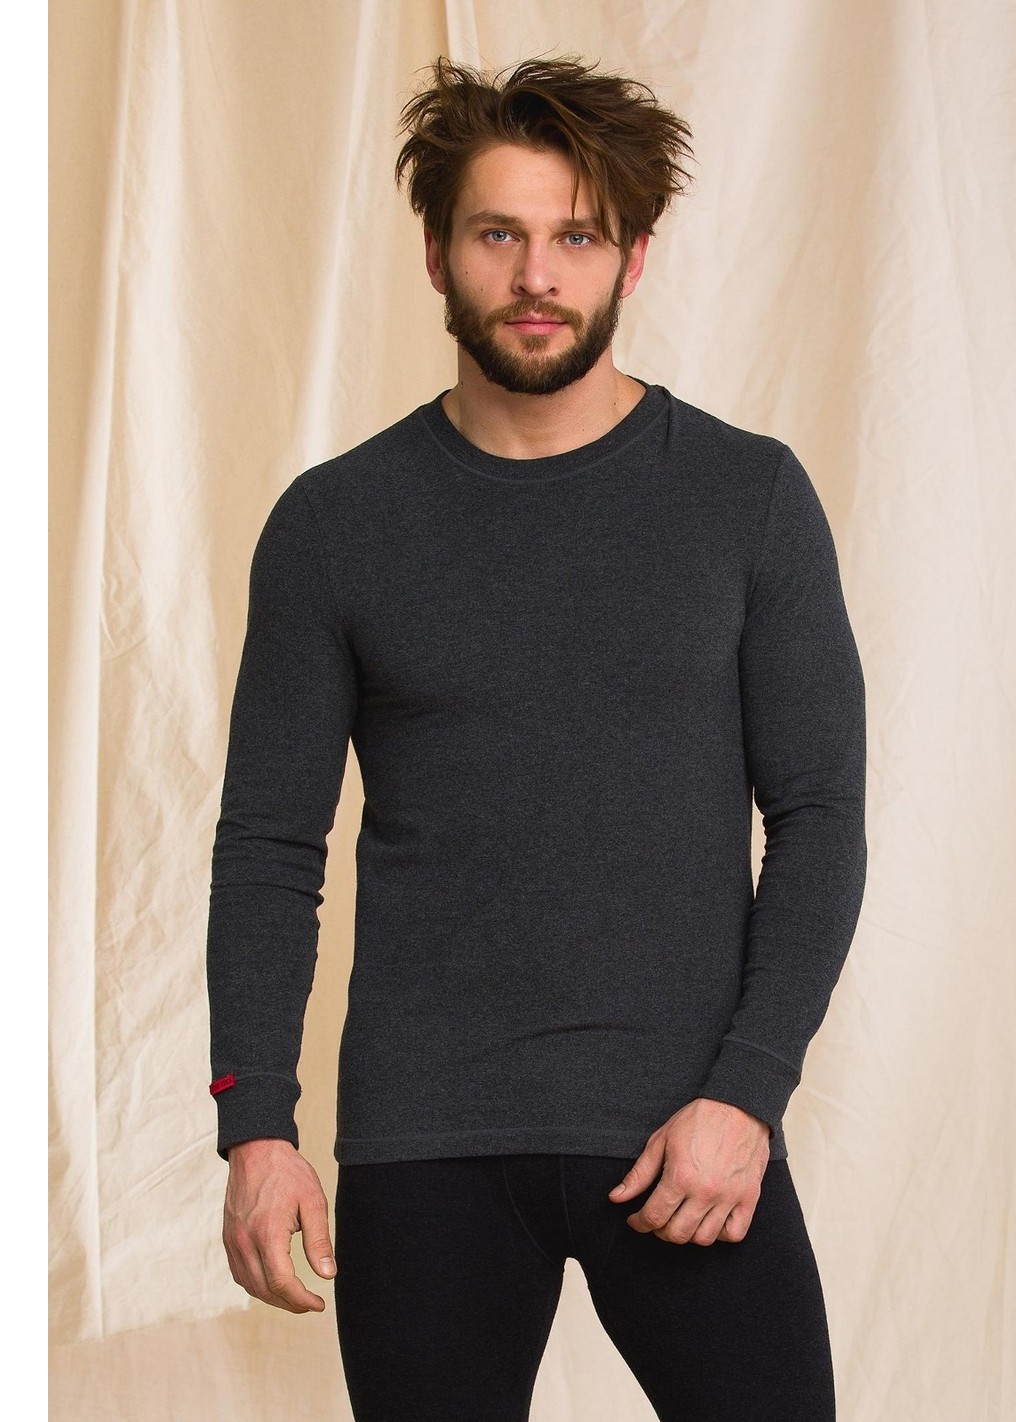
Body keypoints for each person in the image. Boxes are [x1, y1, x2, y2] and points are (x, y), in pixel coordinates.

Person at [206, 54, 867, 1422]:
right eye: (497, 233)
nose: (536, 275)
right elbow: (268, 844)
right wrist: (255, 1125)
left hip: (686, 1135)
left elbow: (818, 817)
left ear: (636, 256)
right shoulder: (335, 526)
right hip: (425, 1147)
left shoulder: (746, 499)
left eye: (577, 236)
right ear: (435, 254)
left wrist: (748, 1094)